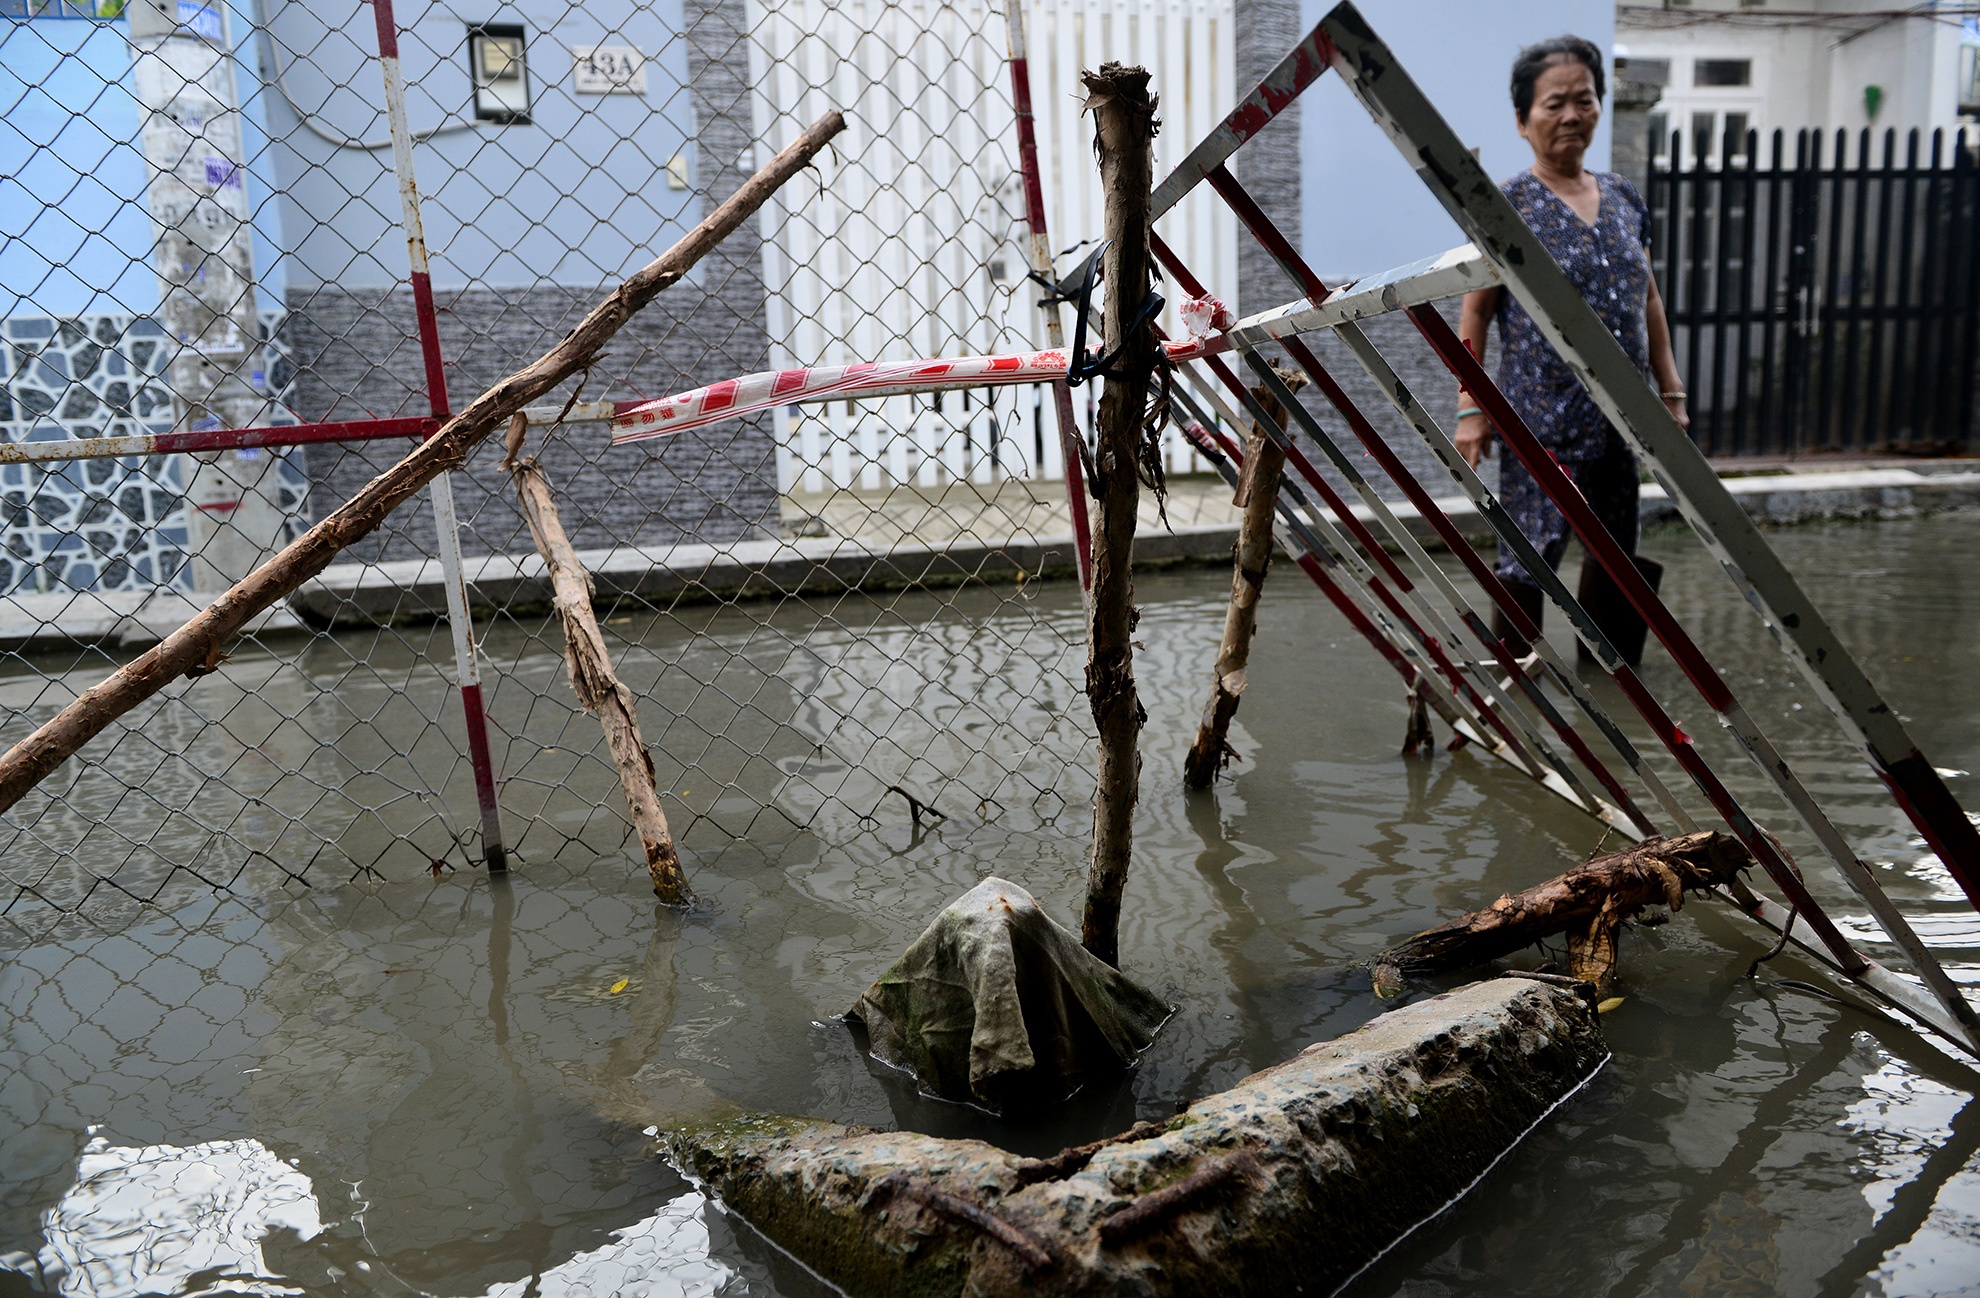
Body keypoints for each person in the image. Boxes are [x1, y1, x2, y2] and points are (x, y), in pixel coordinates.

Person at [1454, 35, 1687, 666]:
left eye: (1583, 100)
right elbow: (1474, 309)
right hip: (1542, 419)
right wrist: (1470, 406)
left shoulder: (1624, 199)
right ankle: (1512, 677)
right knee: (1527, 552)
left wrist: (1671, 391)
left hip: (1622, 417)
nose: (1571, 116)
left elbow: (1649, 301)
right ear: (1523, 121)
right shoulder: (1505, 205)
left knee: (1616, 546)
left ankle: (1613, 673)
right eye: (1554, 103)